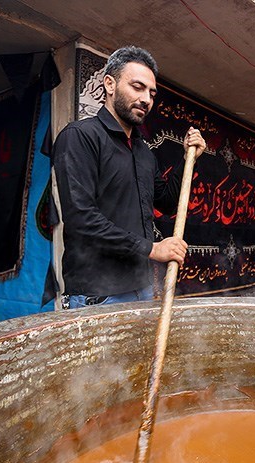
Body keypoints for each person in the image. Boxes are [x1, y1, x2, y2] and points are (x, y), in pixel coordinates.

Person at [52, 45, 206, 309]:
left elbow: (167, 203)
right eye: (137, 87)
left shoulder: (144, 152)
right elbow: (81, 219)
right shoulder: (80, 136)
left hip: (141, 289)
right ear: (110, 84)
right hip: (97, 295)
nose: (146, 99)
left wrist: (188, 160)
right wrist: (152, 249)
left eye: (151, 93)